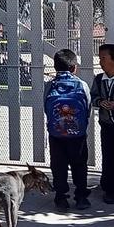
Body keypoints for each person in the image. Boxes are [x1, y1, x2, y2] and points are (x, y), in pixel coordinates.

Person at [45, 49, 92, 211]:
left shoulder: (50, 85)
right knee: (79, 164)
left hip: (56, 134)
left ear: (55, 67)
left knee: (58, 166)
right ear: (74, 67)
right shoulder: (82, 85)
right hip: (77, 135)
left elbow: (46, 107)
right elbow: (88, 108)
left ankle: (61, 198)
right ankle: (81, 197)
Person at [91, 44, 114, 205]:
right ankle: (109, 191)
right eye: (99, 59)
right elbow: (93, 97)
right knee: (108, 159)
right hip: (107, 127)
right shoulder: (99, 79)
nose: (101, 62)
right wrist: (100, 102)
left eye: (103, 58)